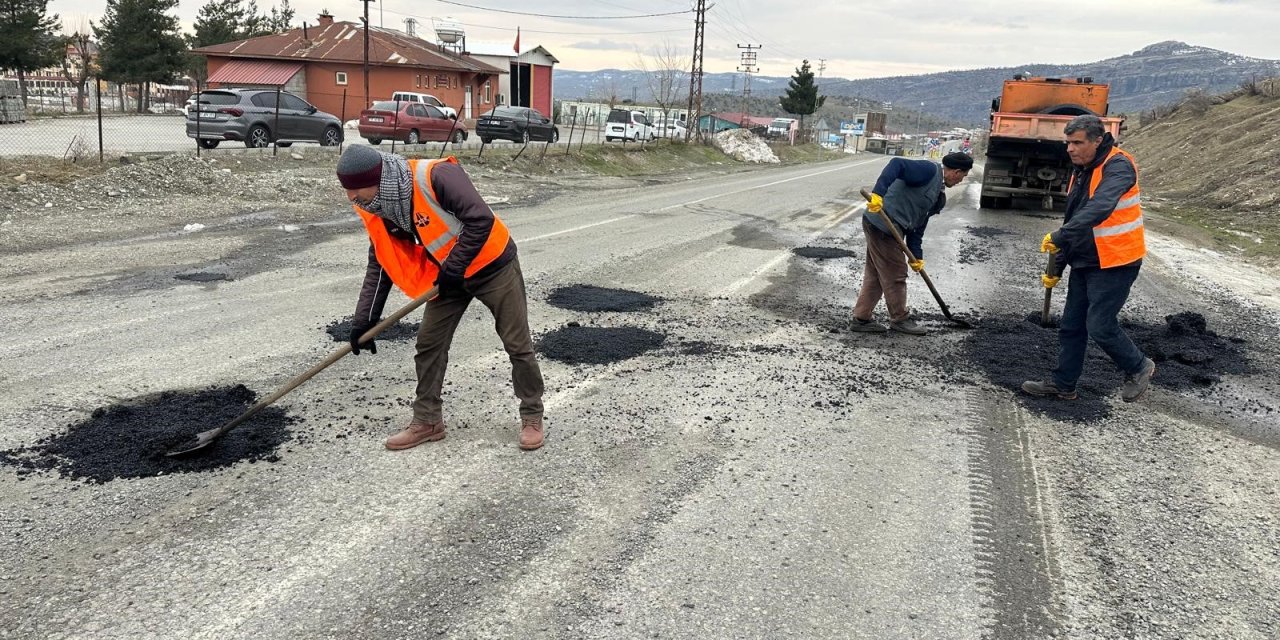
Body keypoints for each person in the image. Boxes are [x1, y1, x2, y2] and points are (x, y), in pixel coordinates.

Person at [336, 145, 546, 450]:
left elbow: (480, 220)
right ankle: (428, 421)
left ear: (379, 179)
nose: (351, 198)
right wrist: (364, 320)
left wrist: (454, 267)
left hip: (493, 266)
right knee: (428, 345)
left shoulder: (437, 175)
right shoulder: (378, 206)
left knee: (517, 343)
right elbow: (381, 260)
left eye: (356, 189)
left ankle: (532, 415)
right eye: (347, 190)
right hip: (448, 277)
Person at [1022, 114, 1156, 402]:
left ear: (1097, 140)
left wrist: (1059, 236)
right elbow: (1076, 219)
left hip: (1116, 261)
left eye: (1077, 143)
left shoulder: (1118, 165)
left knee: (1100, 325)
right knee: (1072, 325)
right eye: (1068, 143)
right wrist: (1057, 266)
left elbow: (1101, 207)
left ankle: (1139, 366)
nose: (1070, 149)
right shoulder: (1081, 169)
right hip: (1086, 260)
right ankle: (1063, 384)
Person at [851, 151, 973, 335]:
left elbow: (918, 227)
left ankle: (861, 318)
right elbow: (896, 164)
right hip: (883, 223)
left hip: (886, 227)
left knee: (877, 273)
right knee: (896, 274)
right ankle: (900, 319)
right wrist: (878, 194)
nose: (961, 181)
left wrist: (917, 256)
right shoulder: (928, 171)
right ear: (955, 172)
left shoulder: (937, 197)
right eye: (963, 176)